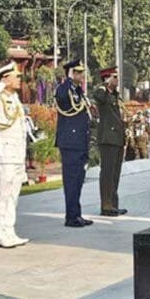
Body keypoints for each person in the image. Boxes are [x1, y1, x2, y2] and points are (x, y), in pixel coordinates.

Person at [0, 61, 30, 248]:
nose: (19, 79)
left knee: (14, 194)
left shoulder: (14, 97)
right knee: (3, 193)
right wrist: (2, 83)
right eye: (15, 76)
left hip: (17, 152)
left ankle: (10, 231)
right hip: (4, 151)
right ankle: (1, 232)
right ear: (6, 78)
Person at [55, 60, 93, 228]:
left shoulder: (78, 91)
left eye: (82, 72)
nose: (82, 75)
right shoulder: (64, 90)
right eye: (77, 72)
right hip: (70, 142)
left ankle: (76, 213)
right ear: (71, 73)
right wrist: (68, 81)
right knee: (71, 180)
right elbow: (61, 97)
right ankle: (71, 217)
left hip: (80, 141)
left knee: (78, 180)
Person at [92, 66, 128, 217]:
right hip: (108, 138)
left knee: (115, 173)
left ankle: (113, 203)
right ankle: (106, 205)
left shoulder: (115, 96)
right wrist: (105, 85)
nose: (117, 79)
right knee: (107, 173)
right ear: (107, 79)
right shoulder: (103, 93)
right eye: (114, 77)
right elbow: (98, 96)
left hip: (117, 138)